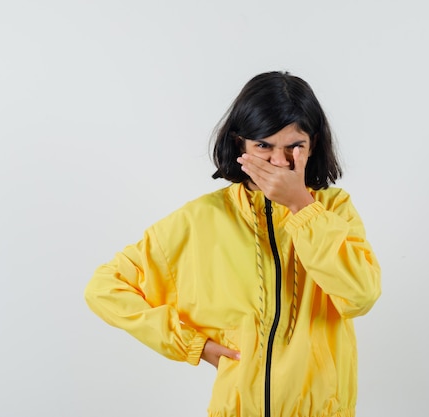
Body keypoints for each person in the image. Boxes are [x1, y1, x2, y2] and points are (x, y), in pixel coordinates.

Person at [85, 71, 381, 417]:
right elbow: (104, 288)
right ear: (240, 143)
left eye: (294, 147)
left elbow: (360, 296)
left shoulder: (333, 209)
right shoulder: (201, 219)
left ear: (313, 144)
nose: (278, 162)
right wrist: (193, 345)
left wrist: (302, 204)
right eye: (263, 146)